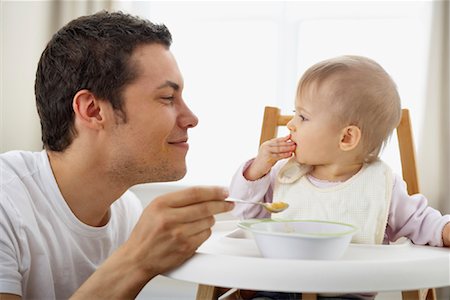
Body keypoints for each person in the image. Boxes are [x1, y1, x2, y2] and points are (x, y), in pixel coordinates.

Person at [0, 11, 234, 299]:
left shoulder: (126, 211)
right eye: (167, 98)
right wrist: (136, 261)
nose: (192, 118)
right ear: (93, 110)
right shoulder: (5, 205)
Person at [230, 55, 450, 299]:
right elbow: (246, 215)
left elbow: (421, 222)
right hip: (278, 288)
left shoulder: (381, 185)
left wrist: (444, 230)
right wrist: (257, 170)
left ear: (346, 138)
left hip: (346, 293)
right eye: (294, 113)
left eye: (302, 116)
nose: (291, 125)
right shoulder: (284, 174)